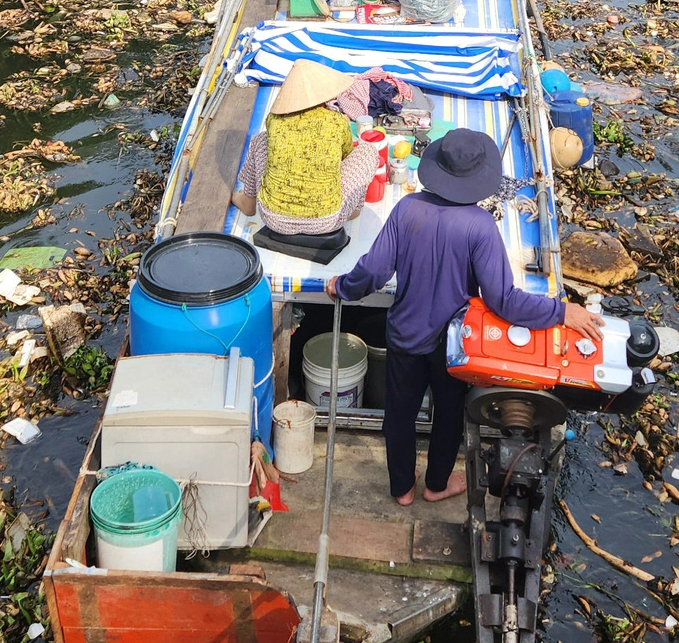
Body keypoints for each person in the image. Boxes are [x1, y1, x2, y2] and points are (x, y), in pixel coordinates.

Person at [330, 128, 602, 506]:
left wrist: (341, 287)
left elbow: (373, 271)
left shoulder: (406, 209)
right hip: (453, 345)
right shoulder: (480, 227)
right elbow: (504, 300)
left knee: (399, 415)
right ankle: (436, 484)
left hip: (405, 337)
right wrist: (560, 311)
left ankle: (402, 489)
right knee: (449, 415)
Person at [232, 60, 376, 238]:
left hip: (273, 218)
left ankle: (248, 200)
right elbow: (346, 157)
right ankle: (353, 210)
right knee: (367, 151)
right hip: (328, 220)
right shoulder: (336, 121)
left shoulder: (274, 119)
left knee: (261, 139)